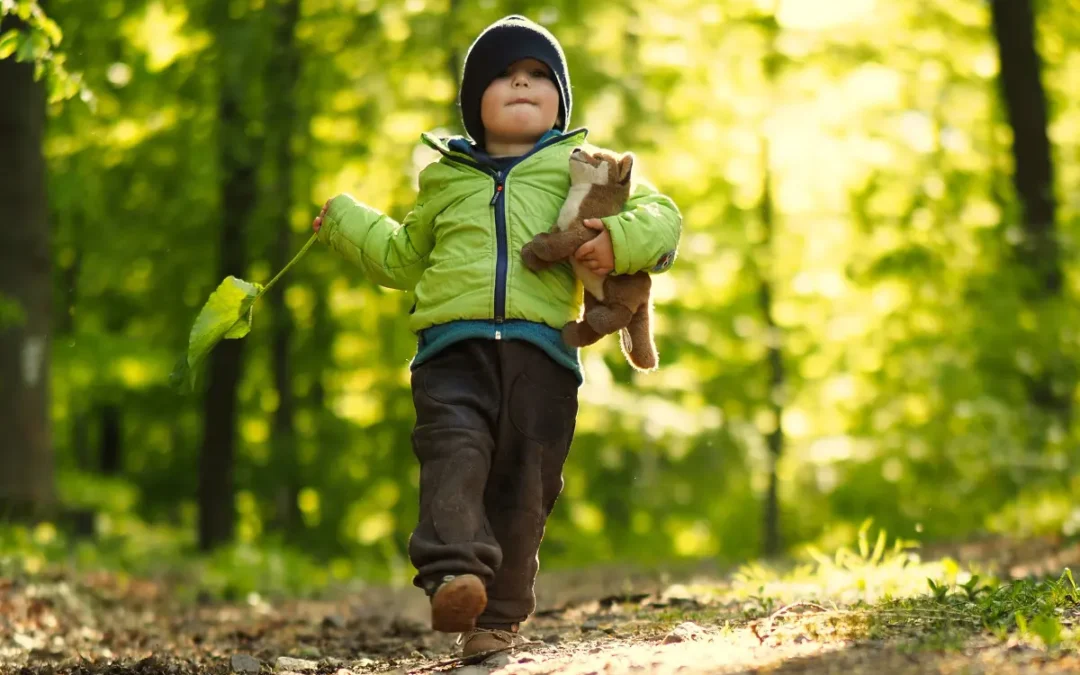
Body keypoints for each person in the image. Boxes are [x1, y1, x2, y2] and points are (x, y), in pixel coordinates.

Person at [311, 15, 681, 656]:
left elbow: (664, 220)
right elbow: (401, 259)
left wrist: (615, 241)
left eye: (539, 76)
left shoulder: (583, 171)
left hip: (544, 357)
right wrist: (344, 221)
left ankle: (495, 621)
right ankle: (455, 574)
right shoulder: (445, 178)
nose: (522, 83)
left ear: (560, 102)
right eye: (505, 74)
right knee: (452, 458)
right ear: (474, 101)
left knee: (525, 487)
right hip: (452, 350)